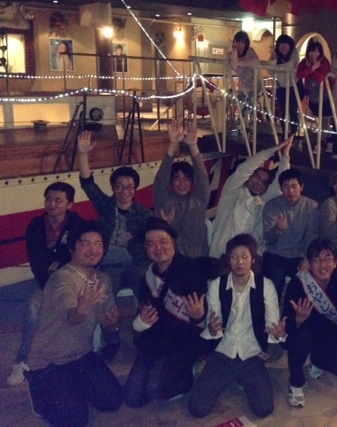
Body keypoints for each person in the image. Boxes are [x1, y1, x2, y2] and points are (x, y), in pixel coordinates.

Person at [25, 221, 123, 427]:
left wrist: (112, 324)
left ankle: (70, 387)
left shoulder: (103, 279)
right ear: (72, 247)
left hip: (81, 355)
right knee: (75, 421)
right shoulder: (61, 279)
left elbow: (108, 322)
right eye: (85, 244)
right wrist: (81, 310)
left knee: (112, 401)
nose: (93, 249)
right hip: (49, 361)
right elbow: (70, 316)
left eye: (98, 244)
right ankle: (37, 386)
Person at [188, 234, 287, 419]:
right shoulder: (217, 285)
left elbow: (273, 327)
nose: (239, 262)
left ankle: (242, 378)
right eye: (234, 256)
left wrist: (279, 335)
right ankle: (231, 377)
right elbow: (213, 325)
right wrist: (212, 328)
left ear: (253, 259)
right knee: (197, 409)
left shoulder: (265, 286)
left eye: (244, 256)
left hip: (251, 354)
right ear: (228, 259)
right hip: (222, 352)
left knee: (264, 409)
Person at [123, 218, 212, 408]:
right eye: (151, 243)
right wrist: (142, 322)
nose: (158, 248)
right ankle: (163, 368)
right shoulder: (148, 276)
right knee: (132, 398)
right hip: (157, 339)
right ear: (146, 248)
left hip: (184, 340)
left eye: (163, 241)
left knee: (157, 389)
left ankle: (187, 372)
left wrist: (198, 316)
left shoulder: (193, 270)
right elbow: (144, 317)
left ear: (173, 242)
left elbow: (204, 318)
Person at [7, 182, 84, 386]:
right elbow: (36, 259)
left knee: (73, 311)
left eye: (58, 200)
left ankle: (75, 358)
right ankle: (22, 360)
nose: (52, 204)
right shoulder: (35, 226)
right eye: (49, 199)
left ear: (69, 204)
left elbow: (77, 257)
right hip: (45, 279)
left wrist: (57, 261)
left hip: (71, 279)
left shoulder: (78, 225)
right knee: (33, 309)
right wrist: (50, 275)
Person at [283, 238, 337, 408]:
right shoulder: (298, 284)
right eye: (317, 259)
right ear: (309, 263)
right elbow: (286, 324)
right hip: (303, 334)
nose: (322, 265)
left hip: (328, 334)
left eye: (328, 259)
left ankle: (316, 360)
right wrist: (298, 319)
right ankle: (296, 383)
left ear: (335, 263)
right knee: (301, 336)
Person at [77, 131, 152, 297]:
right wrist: (83, 154)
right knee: (104, 297)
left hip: (137, 263)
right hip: (109, 264)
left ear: (135, 188)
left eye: (129, 187)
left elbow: (150, 238)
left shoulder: (144, 213)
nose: (124, 191)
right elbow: (87, 183)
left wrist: (136, 236)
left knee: (146, 295)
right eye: (119, 186)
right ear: (113, 187)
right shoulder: (105, 205)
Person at [208, 136, 293, 260]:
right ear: (248, 177)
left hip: (248, 260)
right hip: (222, 255)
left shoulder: (262, 202)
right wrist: (272, 151)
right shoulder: (232, 192)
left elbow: (279, 186)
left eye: (264, 182)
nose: (259, 183)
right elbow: (244, 169)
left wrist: (285, 156)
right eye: (257, 177)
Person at [153, 120, 209, 258]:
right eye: (177, 178)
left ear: (192, 182)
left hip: (196, 259)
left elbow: (202, 177)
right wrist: (173, 145)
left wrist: (193, 146)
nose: (182, 183)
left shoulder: (199, 199)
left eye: (186, 179)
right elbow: (161, 177)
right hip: (169, 260)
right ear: (171, 181)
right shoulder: (163, 200)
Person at [262, 168, 319, 298]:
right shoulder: (272, 205)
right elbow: (268, 239)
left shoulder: (311, 206)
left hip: (299, 255)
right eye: (286, 187)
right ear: (281, 188)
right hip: (275, 253)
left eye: (294, 186)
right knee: (273, 284)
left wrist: (307, 259)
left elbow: (311, 236)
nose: (291, 191)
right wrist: (277, 229)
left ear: (301, 187)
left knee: (303, 287)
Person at [296, 40, 333, 153]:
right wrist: (312, 68)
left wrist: (311, 69)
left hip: (325, 96)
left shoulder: (324, 62)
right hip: (313, 97)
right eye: (312, 51)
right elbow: (299, 74)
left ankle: (324, 144)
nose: (314, 54)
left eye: (317, 52)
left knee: (325, 122)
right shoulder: (305, 62)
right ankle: (323, 142)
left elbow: (320, 77)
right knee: (319, 121)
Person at [268, 34, 301, 137]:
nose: (283, 47)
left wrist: (277, 66)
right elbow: (270, 70)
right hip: (281, 87)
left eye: (286, 44)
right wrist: (274, 59)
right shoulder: (276, 55)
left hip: (294, 86)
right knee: (283, 111)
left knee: (293, 111)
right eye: (281, 45)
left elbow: (292, 65)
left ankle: (293, 135)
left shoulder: (294, 53)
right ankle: (284, 134)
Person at [227, 30, 261, 100]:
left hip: (257, 86)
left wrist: (240, 63)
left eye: (242, 42)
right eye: (237, 41)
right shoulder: (231, 55)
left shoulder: (250, 51)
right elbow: (233, 66)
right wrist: (234, 52)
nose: (239, 44)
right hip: (244, 88)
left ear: (246, 43)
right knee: (242, 105)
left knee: (248, 105)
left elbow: (256, 61)